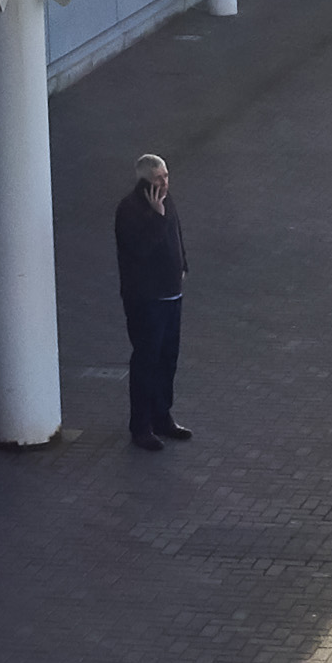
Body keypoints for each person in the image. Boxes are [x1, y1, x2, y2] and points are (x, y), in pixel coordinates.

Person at [112, 152, 190, 449]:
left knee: (168, 358)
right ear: (145, 180)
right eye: (159, 178)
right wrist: (156, 218)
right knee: (147, 360)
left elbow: (176, 235)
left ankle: (162, 416)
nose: (165, 182)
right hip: (146, 300)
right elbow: (140, 249)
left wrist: (184, 265)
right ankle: (140, 425)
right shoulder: (129, 210)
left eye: (166, 176)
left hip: (172, 295)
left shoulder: (166, 202)